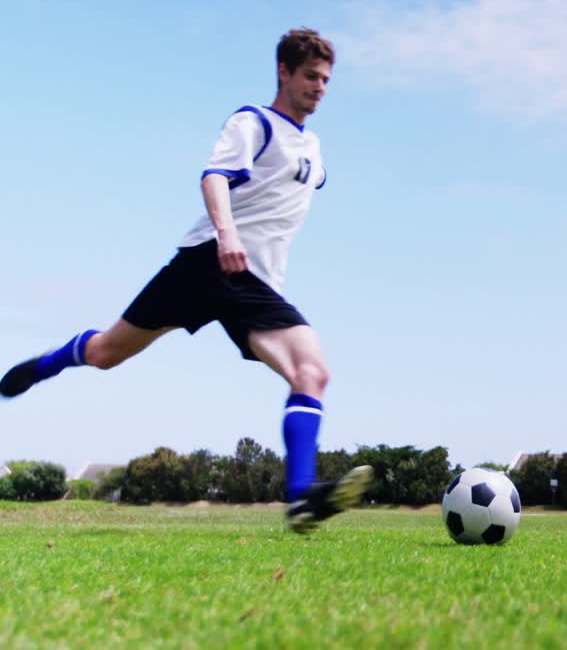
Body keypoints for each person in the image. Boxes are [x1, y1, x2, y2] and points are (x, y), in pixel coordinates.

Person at [0, 27, 370, 534]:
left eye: (327, 79)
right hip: (210, 261)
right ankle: (43, 366)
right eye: (311, 75)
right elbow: (214, 177)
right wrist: (228, 234)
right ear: (283, 72)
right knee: (109, 353)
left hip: (254, 284)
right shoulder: (252, 122)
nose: (320, 87)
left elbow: (299, 184)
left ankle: (301, 495)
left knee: (312, 374)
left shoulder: (313, 147)